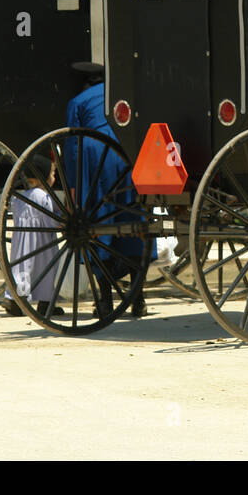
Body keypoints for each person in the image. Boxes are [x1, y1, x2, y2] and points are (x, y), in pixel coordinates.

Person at [65, 61, 153, 317]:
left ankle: (104, 300)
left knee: (96, 227)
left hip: (96, 159)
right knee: (133, 220)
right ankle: (138, 299)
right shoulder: (121, 98)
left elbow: (71, 148)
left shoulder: (78, 102)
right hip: (128, 155)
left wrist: (73, 188)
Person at [0, 154, 65, 319]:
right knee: (47, 270)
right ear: (43, 176)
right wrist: (62, 222)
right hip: (42, 242)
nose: (54, 177)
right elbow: (50, 221)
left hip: (22, 241)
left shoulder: (22, 196)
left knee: (22, 269)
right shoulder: (42, 196)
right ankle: (44, 302)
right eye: (52, 174)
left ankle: (16, 298)